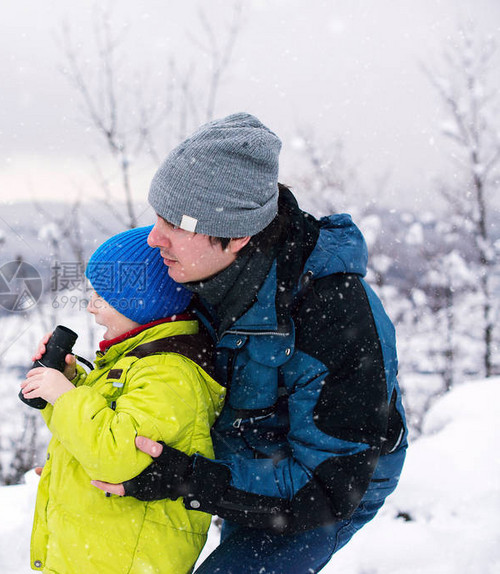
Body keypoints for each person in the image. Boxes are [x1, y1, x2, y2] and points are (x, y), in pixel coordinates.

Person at [91, 113, 408, 573]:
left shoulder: (334, 317)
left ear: (238, 235)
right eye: (157, 215)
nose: (155, 237)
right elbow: (144, 345)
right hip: (235, 454)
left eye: (176, 224)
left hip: (323, 484)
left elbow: (326, 486)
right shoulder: (188, 263)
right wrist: (77, 392)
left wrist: (188, 478)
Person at [20, 225, 227, 573]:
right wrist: (68, 384)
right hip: (93, 554)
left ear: (143, 303)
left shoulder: (170, 373)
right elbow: (96, 429)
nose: (90, 307)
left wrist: (67, 396)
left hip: (123, 561)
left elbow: (115, 455)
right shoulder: (134, 360)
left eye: (103, 296)